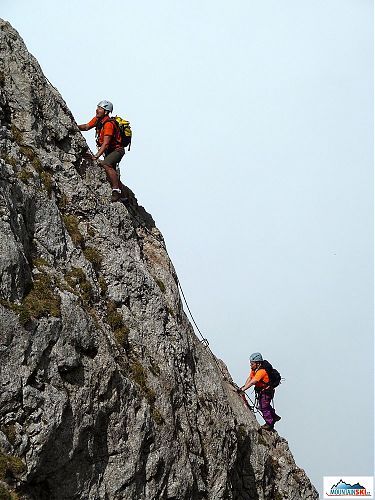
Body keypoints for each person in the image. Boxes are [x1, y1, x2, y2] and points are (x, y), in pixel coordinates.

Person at [78, 100, 125, 202]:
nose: (97, 110)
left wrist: (96, 156)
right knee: (111, 168)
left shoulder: (108, 124)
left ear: (106, 112)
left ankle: (116, 191)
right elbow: (86, 126)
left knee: (106, 164)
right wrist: (75, 127)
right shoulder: (98, 120)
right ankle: (123, 195)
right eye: (97, 107)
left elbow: (106, 143)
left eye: (100, 108)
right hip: (110, 151)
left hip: (117, 150)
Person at [240, 352, 281, 431]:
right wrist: (244, 387)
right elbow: (250, 378)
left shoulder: (261, 371)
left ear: (258, 363)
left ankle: (270, 424)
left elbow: (253, 382)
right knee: (263, 406)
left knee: (263, 407)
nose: (250, 365)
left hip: (266, 392)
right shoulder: (254, 369)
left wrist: (243, 389)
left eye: (252, 363)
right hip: (262, 391)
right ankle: (274, 416)